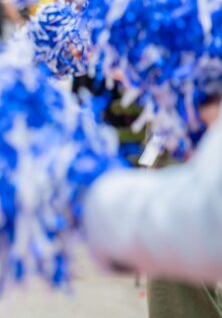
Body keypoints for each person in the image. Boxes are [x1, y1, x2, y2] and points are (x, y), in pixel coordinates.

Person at [84, 99, 222, 315]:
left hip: (190, 115)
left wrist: (90, 196)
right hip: (177, 115)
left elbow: (202, 214)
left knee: (177, 277)